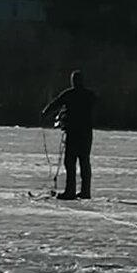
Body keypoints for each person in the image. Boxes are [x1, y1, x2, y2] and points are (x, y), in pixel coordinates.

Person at [41, 70, 96, 200]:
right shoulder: (89, 95)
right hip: (86, 133)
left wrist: (44, 113)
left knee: (70, 162)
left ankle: (70, 191)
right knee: (84, 162)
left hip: (73, 133)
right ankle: (85, 191)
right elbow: (99, 102)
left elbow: (56, 103)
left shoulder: (69, 94)